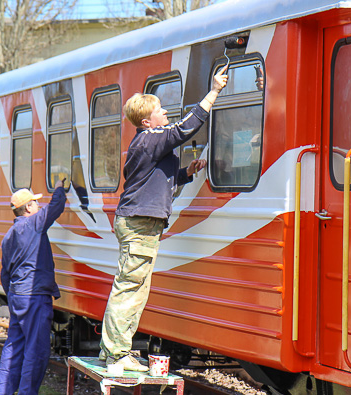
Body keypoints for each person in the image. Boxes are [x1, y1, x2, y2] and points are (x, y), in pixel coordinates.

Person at [99, 66, 229, 372]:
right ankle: (118, 354)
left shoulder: (144, 144)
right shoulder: (151, 138)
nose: (166, 110)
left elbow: (149, 180)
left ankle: (114, 351)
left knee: (132, 288)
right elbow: (186, 128)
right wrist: (214, 91)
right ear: (147, 121)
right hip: (140, 224)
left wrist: (185, 173)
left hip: (139, 222)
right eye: (160, 109)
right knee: (130, 288)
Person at [0, 179, 66, 395]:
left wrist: (13, 297)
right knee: (36, 351)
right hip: (34, 296)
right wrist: (60, 186)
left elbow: (4, 274)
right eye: (35, 203)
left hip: (18, 296)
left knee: (14, 347)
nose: (39, 206)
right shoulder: (34, 224)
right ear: (28, 208)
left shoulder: (8, 236)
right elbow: (56, 207)